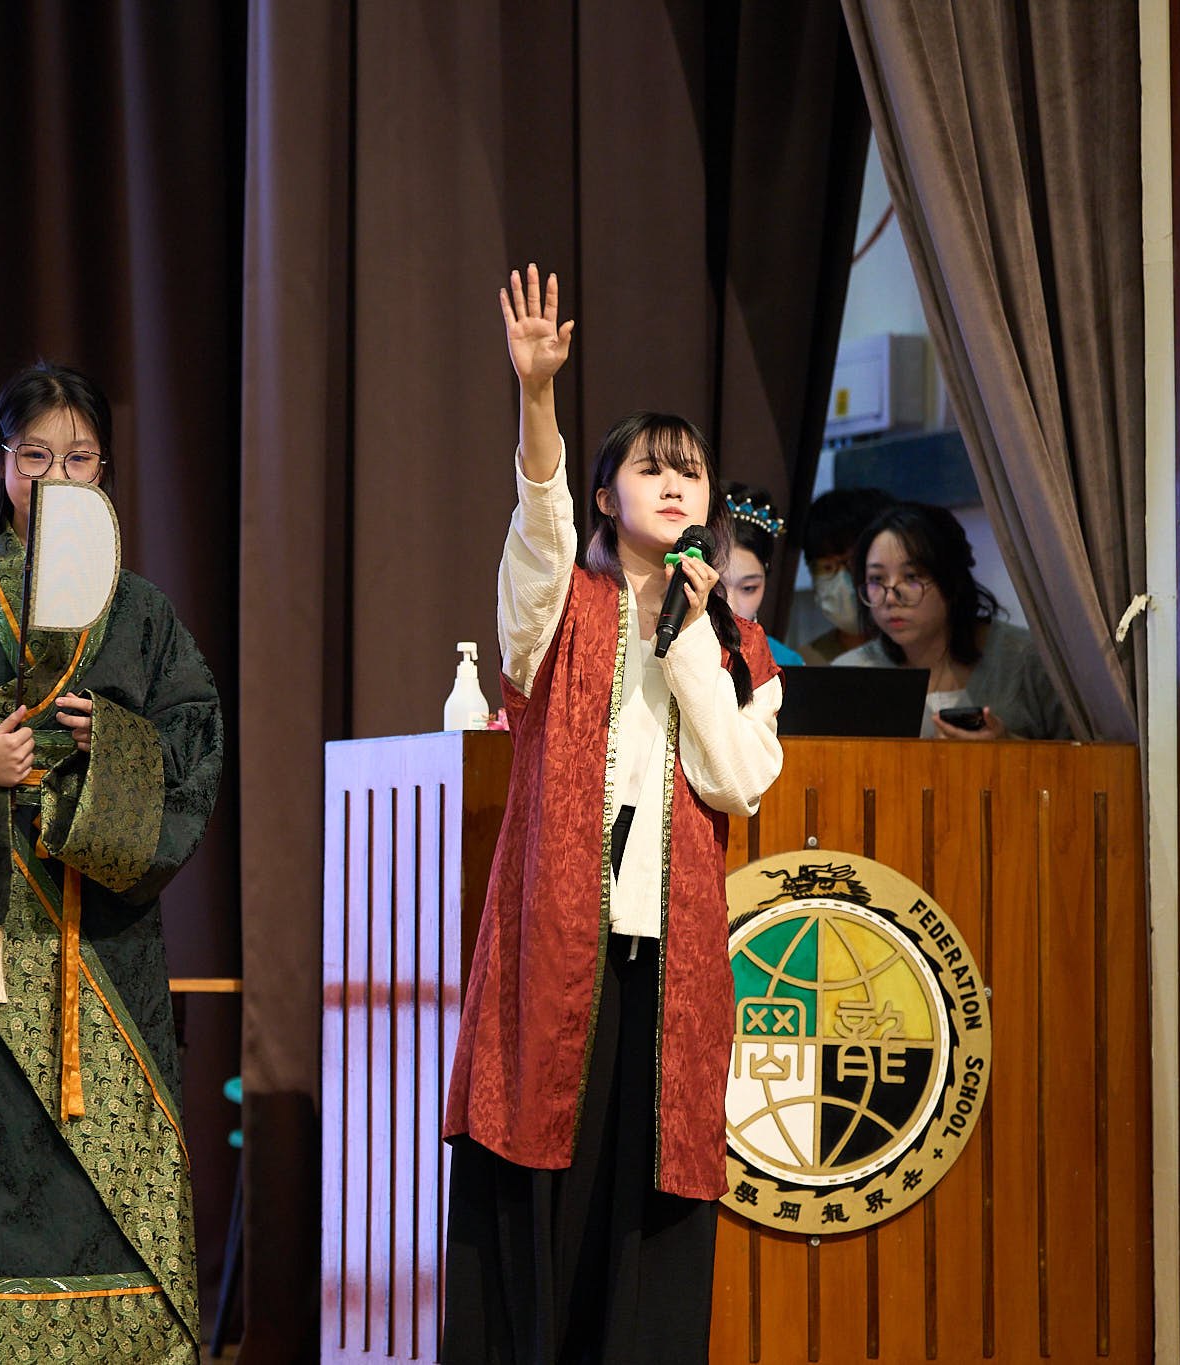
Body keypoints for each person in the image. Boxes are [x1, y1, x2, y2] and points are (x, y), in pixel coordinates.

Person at [443, 265, 786, 1364]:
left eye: (690, 471)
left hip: (669, 959)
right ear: (606, 497)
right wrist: (537, 394)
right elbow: (538, 523)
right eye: (650, 467)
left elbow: (740, 780)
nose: (675, 483)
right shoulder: (560, 606)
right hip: (560, 949)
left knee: (652, 1191)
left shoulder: (737, 643)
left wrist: (690, 639)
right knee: (547, 1173)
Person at [0, 363, 223, 1363]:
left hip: (108, 938)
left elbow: (195, 744)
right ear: (1, 465)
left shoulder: (142, 615)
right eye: (35, 456)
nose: (55, 476)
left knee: (110, 1200)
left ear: (103, 471)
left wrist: (114, 746)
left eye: (79, 458)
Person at [832, 501, 1071, 739]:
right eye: (876, 579)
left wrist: (1007, 748)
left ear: (953, 580)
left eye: (912, 576)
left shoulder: (1028, 658)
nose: (890, 597)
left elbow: (1080, 755)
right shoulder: (850, 674)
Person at [797, 485, 896, 662]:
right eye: (827, 567)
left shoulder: (920, 654)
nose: (842, 580)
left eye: (852, 564)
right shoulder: (803, 663)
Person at [719, 480, 806, 666]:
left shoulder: (785, 662)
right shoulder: (667, 651)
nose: (731, 606)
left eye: (748, 588)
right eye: (717, 587)